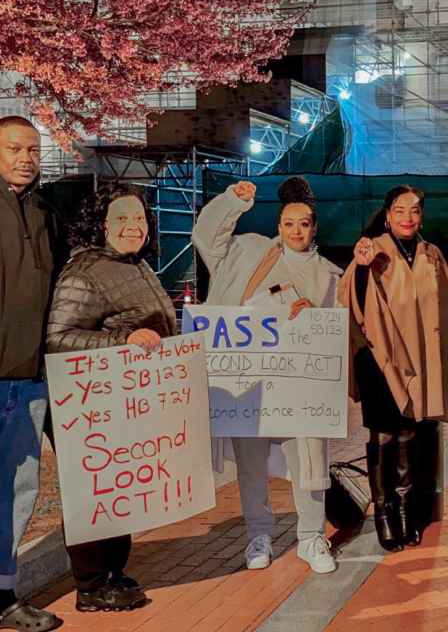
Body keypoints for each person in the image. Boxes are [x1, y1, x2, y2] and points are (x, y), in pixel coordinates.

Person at [192, 176, 340, 574]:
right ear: (278, 226)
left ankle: (311, 537)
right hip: (247, 385)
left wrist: (318, 317)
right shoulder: (248, 250)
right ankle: (258, 534)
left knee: (309, 464)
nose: (296, 231)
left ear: (314, 228)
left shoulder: (330, 275)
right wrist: (231, 202)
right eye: (289, 223)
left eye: (304, 224)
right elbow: (206, 237)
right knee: (251, 465)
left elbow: (337, 334)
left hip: (298, 388)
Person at [46, 183, 176, 612]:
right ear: (101, 225)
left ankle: (113, 571)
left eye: (139, 218)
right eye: (121, 218)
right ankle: (90, 583)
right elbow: (59, 337)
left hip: (123, 401)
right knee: (93, 488)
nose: (132, 226)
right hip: (92, 403)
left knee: (119, 486)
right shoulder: (85, 272)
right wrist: (124, 340)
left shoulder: (135, 265)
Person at [339, 185, 448, 551]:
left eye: (415, 210)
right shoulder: (372, 250)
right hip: (379, 360)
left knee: (410, 433)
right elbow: (349, 297)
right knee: (384, 435)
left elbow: (447, 310)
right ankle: (383, 513)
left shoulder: (432, 256)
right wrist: (362, 265)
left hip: (420, 359)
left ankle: (404, 510)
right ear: (387, 214)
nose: (408, 217)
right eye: (400, 210)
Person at [0, 116, 62, 631]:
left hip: (32, 380)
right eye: (14, 148)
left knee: (21, 490)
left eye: (33, 150)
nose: (26, 158)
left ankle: (3, 591)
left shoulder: (45, 212)